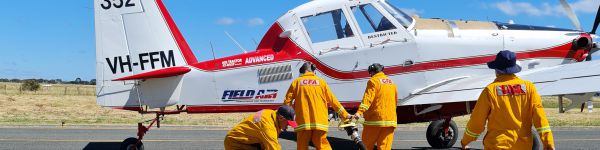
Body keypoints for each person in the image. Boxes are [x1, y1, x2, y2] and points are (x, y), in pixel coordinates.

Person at [461, 50, 555, 150]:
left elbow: (477, 122)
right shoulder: (529, 87)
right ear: (514, 68)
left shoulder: (490, 90)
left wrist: (465, 141)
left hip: (497, 145)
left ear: (496, 69)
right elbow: (540, 119)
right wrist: (548, 143)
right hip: (523, 146)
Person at [283, 62, 350, 150]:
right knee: (322, 145)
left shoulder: (296, 82)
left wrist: (286, 121)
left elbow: (287, 102)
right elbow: (333, 101)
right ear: (313, 71)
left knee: (302, 146)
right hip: (320, 122)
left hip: (303, 122)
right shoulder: (322, 82)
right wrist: (345, 115)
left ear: (303, 72)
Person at [351, 63, 398, 150]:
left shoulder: (373, 81)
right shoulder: (392, 83)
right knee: (385, 148)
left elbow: (367, 99)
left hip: (375, 121)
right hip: (390, 121)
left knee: (365, 147)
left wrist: (359, 112)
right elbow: (395, 101)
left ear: (372, 72)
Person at [224, 105, 297, 150]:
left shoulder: (270, 113)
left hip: (248, 143)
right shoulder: (268, 127)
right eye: (288, 123)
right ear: (281, 118)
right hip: (236, 143)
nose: (288, 126)